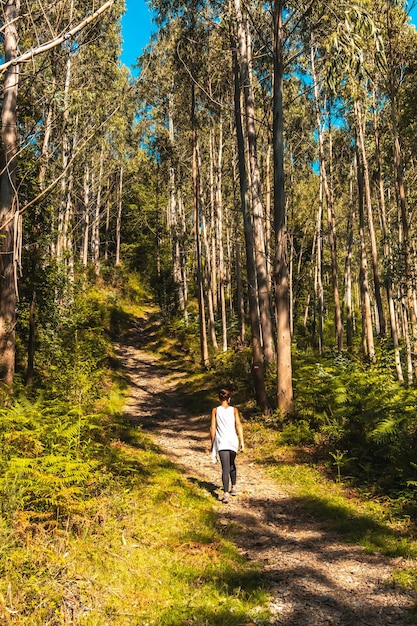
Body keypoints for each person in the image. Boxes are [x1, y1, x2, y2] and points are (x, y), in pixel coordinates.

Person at [210, 388, 244, 503]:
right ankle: (233, 487)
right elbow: (238, 425)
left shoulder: (215, 410)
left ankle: (225, 493)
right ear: (229, 399)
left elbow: (213, 428)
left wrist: (212, 443)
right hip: (233, 441)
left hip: (222, 442)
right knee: (231, 464)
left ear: (219, 398)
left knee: (225, 467)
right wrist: (242, 442)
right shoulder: (234, 410)